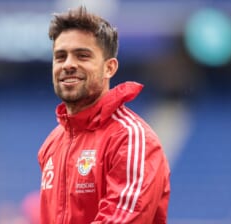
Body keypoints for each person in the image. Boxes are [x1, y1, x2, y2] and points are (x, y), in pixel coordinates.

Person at [37, 6, 170, 224]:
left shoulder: (132, 139)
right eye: (60, 57)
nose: (68, 64)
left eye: (82, 55)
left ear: (109, 68)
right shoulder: (51, 145)